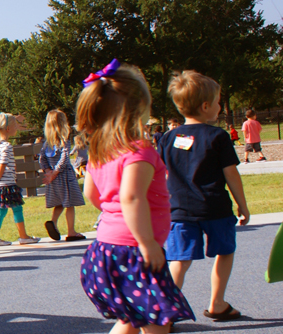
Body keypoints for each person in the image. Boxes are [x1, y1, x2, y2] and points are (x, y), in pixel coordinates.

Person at [77, 59, 195, 334]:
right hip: (134, 252)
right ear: (138, 109)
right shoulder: (138, 153)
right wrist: (147, 243)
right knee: (156, 322)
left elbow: (91, 194)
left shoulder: (99, 152)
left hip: (104, 249)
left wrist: (113, 215)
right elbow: (131, 197)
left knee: (130, 319)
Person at [158, 70, 250, 322]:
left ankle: (166, 313)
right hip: (215, 208)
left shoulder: (167, 138)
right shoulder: (218, 136)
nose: (220, 107)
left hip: (179, 210)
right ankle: (217, 303)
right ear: (206, 105)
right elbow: (231, 174)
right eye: (219, 102)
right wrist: (242, 206)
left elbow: (162, 175)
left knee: (179, 259)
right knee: (224, 252)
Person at [0, 113, 39, 246]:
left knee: (2, 210)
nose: (17, 127)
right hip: (8, 184)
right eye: (15, 125)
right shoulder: (7, 146)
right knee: (16, 208)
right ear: (8, 128)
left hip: (0, 184)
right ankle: (23, 236)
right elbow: (3, 165)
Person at [40, 109, 87, 242]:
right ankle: (71, 232)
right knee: (69, 204)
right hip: (65, 176)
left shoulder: (46, 143)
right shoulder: (63, 140)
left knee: (60, 202)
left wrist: (48, 171)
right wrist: (55, 171)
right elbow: (65, 158)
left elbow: (41, 158)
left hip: (53, 179)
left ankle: (53, 222)